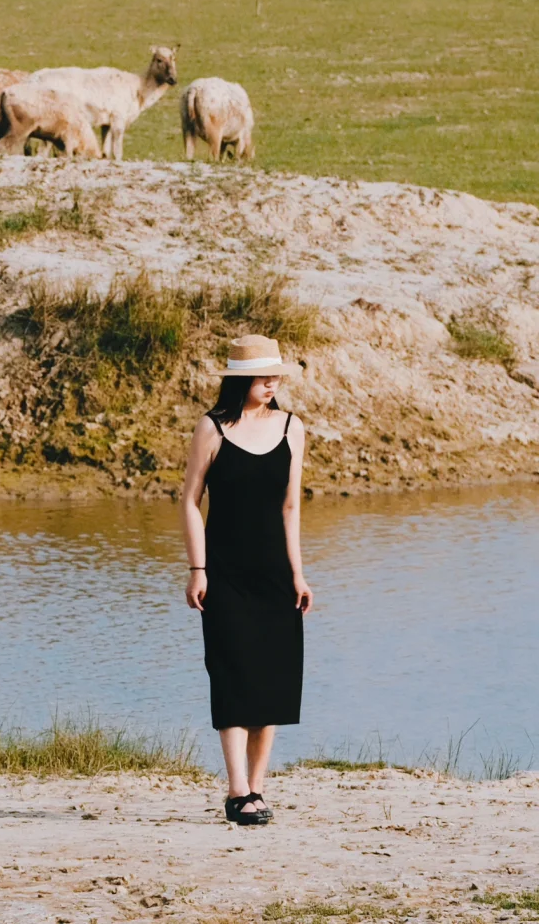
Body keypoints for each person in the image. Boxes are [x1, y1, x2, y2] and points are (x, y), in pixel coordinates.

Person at [181, 333, 314, 826]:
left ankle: (258, 786)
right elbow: (189, 501)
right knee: (233, 675)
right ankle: (237, 791)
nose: (272, 382)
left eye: (276, 374)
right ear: (240, 379)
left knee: (273, 681)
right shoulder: (211, 428)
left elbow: (290, 507)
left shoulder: (291, 427)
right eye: (263, 375)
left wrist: (299, 574)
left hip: (276, 576)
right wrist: (199, 569)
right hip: (225, 574)